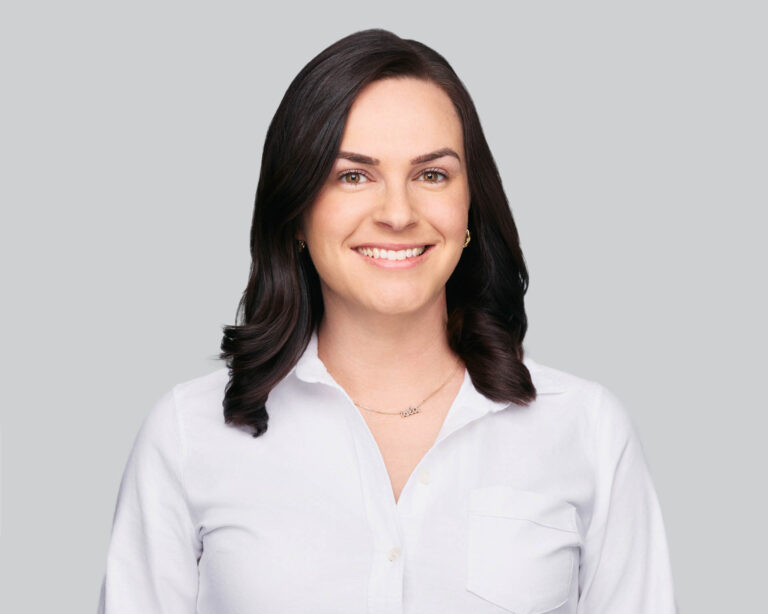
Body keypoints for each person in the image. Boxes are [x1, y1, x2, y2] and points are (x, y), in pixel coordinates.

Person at [97, 28, 678, 613]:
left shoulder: (587, 432)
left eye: (432, 175)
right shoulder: (187, 437)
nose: (398, 214)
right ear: (297, 213)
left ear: (469, 206)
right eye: (353, 175)